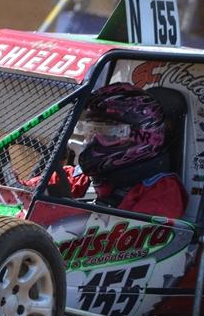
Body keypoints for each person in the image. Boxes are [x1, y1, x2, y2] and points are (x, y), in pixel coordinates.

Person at [76, 82, 188, 218]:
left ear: (140, 136)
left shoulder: (162, 190)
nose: (93, 139)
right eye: (91, 130)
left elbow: (130, 236)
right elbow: (55, 181)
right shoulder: (96, 173)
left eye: (105, 131)